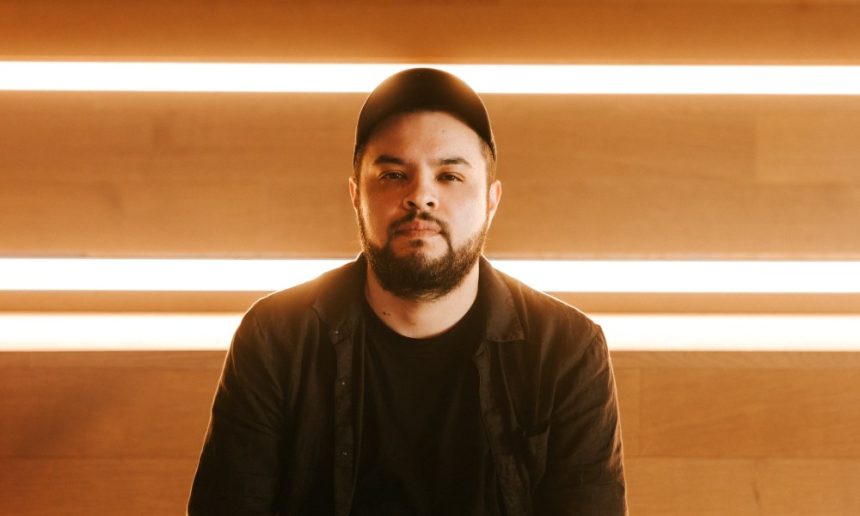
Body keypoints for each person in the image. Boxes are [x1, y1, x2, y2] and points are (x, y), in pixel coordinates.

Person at [188, 68, 627, 516]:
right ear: (356, 195)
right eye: (394, 174)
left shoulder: (566, 349)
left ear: (491, 201)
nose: (420, 196)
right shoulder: (275, 338)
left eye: (449, 176)